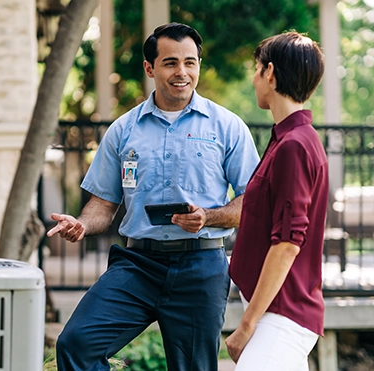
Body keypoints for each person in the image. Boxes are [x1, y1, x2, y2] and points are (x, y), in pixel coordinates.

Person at [47, 22, 260, 371]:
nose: (182, 72)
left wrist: (208, 216)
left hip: (201, 267)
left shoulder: (227, 127)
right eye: (171, 62)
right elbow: (103, 204)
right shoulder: (123, 130)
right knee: (76, 345)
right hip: (137, 266)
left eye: (190, 62)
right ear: (150, 68)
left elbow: (252, 202)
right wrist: (82, 224)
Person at [226, 31, 328, 371]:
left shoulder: (295, 146)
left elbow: (287, 244)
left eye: (256, 69)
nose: (254, 78)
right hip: (277, 312)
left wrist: (246, 326)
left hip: (282, 315)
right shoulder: (288, 139)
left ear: (270, 73)